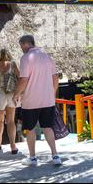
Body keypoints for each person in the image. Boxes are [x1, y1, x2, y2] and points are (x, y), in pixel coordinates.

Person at [13, 35, 61, 166]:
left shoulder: (25, 58)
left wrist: (16, 94)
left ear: (24, 44)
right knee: (48, 127)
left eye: (20, 46)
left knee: (30, 129)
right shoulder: (47, 56)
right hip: (47, 100)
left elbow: (23, 80)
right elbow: (55, 78)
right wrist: (51, 93)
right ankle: (55, 155)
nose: (21, 48)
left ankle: (33, 158)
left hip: (30, 101)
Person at [0, 48, 20, 154]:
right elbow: (20, 77)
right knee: (11, 120)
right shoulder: (13, 64)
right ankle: (13, 146)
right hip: (11, 93)